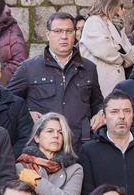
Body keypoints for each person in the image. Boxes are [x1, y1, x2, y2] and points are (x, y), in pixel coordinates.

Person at [6, 11, 105, 142]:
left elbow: (97, 102)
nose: (64, 36)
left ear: (75, 34)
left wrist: (100, 113)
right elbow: (7, 101)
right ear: (48, 34)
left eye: (69, 31)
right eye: (58, 31)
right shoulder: (28, 68)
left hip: (80, 143)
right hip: (43, 146)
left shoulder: (89, 68)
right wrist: (26, 113)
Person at [16, 113, 83, 195]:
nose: (56, 135)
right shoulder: (21, 167)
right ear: (37, 137)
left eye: (60, 132)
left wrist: (36, 182)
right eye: (50, 131)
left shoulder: (74, 169)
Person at [79, 0, 134, 98]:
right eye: (121, 6)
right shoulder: (93, 22)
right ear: (111, 5)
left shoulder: (117, 27)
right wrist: (123, 57)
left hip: (116, 84)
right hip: (101, 84)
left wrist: (118, 48)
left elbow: (133, 54)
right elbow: (105, 51)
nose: (124, 10)